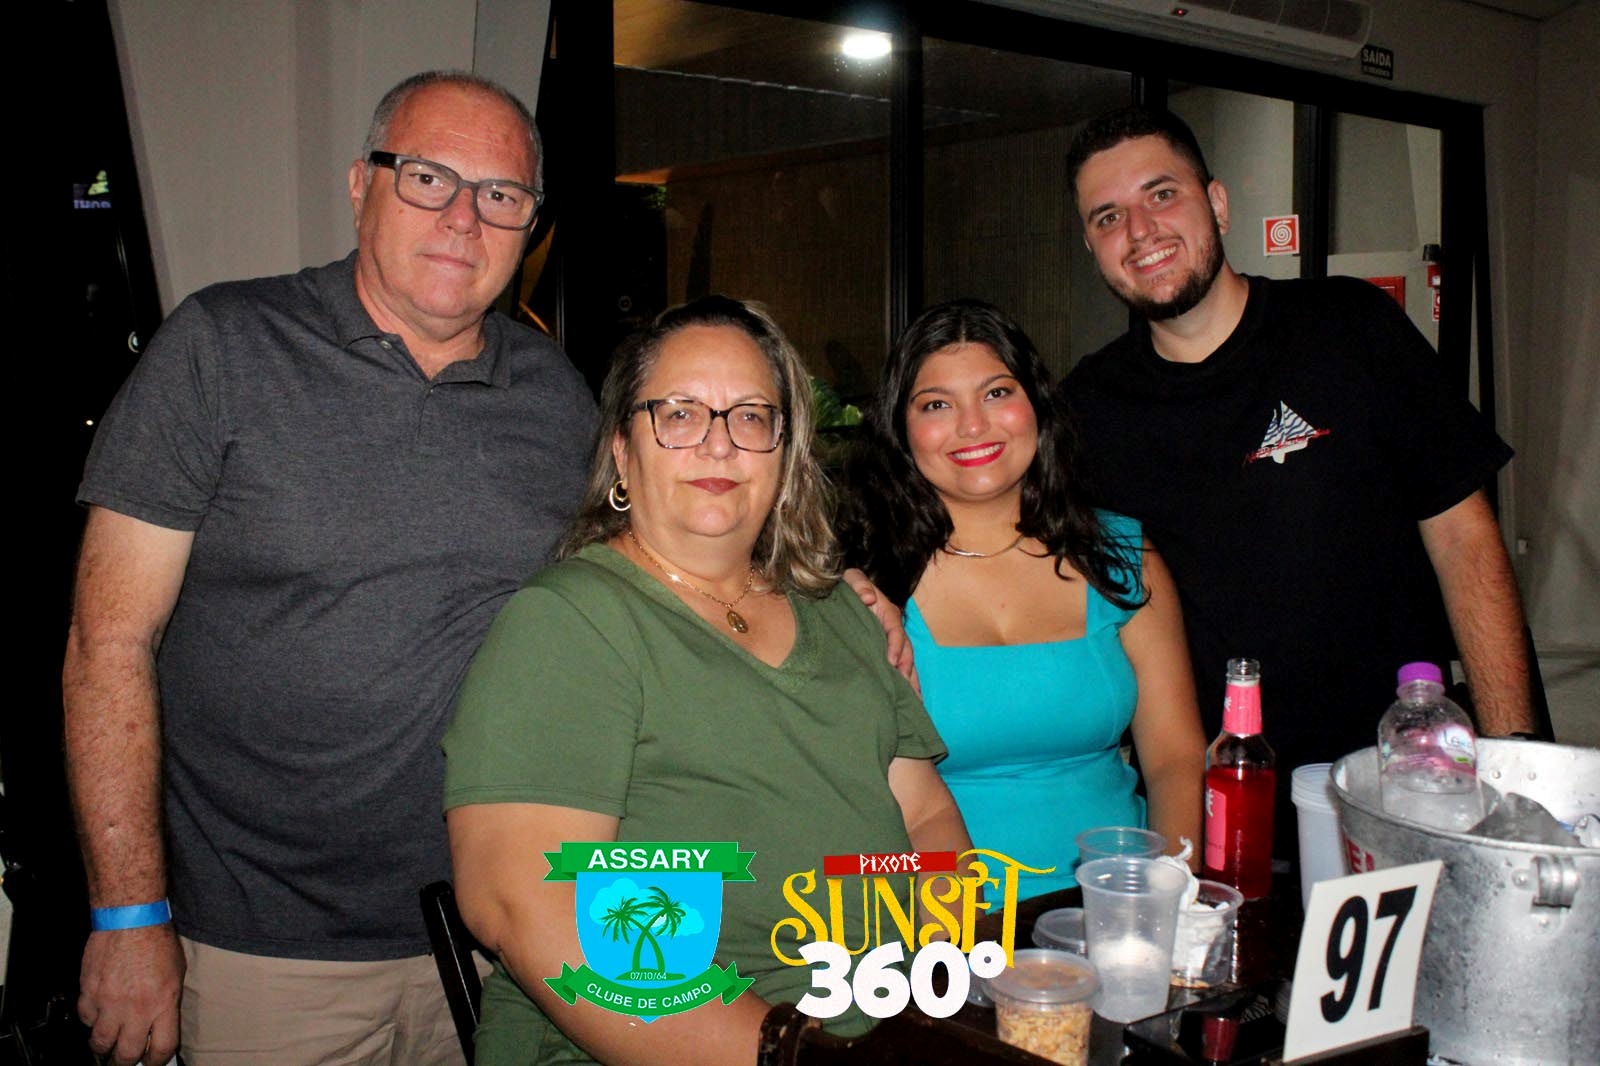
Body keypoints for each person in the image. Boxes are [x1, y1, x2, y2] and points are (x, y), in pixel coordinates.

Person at [62, 71, 598, 1066]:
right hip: (261, 949)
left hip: (502, 931)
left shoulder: (557, 397)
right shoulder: (222, 348)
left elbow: (663, 579)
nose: (463, 219)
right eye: (428, 177)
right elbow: (108, 641)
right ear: (361, 185)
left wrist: (840, 598)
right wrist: (128, 916)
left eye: (501, 194)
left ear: (530, 223)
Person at [443, 296, 971, 1066]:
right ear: (623, 452)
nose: (719, 444)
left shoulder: (841, 610)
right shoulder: (572, 622)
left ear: (784, 454)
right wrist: (791, 1051)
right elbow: (527, 907)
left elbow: (925, 818)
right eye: (680, 414)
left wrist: (934, 998)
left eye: (751, 416)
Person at [1060, 106, 1536, 842]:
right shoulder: (1090, 408)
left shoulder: (1348, 328)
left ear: (1218, 203)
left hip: (1405, 797)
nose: (1141, 231)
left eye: (1162, 194)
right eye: (1108, 217)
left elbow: (1465, 541)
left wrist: (1513, 766)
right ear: (1092, 247)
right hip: (1227, 821)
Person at [842, 298, 1205, 896]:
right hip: (941, 923)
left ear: (1036, 403)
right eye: (937, 404)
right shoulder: (862, 588)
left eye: (996, 393)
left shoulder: (1121, 556)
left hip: (1115, 906)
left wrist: (1168, 900)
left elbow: (1175, 760)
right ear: (900, 429)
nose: (973, 425)